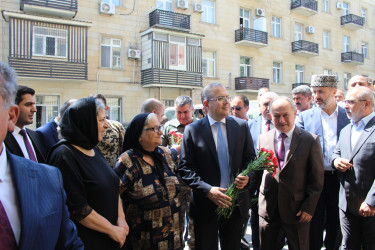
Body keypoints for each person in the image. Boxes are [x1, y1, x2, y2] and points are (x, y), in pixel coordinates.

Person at [0, 61, 84, 249]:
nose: (34, 109)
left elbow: (67, 243)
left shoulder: (49, 179)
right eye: (28, 104)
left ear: (10, 116)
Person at [179, 82, 255, 250]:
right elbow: (185, 168)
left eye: (227, 97)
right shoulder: (193, 130)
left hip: (235, 205)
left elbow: (251, 160)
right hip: (206, 206)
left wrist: (248, 177)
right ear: (206, 104)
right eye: (221, 99)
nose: (227, 102)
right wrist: (208, 190)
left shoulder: (241, 127)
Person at [48, 97, 129, 249]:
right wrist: (112, 229)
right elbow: (78, 208)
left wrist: (121, 219)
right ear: (86, 123)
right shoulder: (63, 155)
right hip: (87, 241)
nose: (106, 125)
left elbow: (112, 184)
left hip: (113, 236)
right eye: (101, 120)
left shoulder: (93, 147)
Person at [249, 96, 324, 250]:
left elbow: (316, 179)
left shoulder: (310, 140)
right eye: (276, 116)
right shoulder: (263, 139)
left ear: (295, 113)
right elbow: (257, 173)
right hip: (269, 210)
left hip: (297, 210)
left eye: (285, 115)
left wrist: (309, 207)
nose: (281, 120)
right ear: (270, 116)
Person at [114, 113, 183, 249]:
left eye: (160, 127)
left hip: (174, 240)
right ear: (139, 135)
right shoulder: (127, 161)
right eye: (154, 129)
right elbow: (112, 194)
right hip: (143, 242)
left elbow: (176, 150)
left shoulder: (164, 154)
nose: (160, 132)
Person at [297, 74, 350, 250]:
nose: (316, 96)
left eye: (321, 92)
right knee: (313, 226)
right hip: (314, 181)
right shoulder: (305, 117)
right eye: (314, 92)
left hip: (340, 180)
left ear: (334, 92)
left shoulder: (347, 116)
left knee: (337, 226)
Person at [332, 86, 375, 249]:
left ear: (367, 104)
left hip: (370, 207)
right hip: (347, 205)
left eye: (351, 102)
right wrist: (336, 162)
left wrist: (372, 201)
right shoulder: (347, 129)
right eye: (345, 102)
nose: (345, 106)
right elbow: (335, 154)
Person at [247, 91, 278, 250]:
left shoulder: (284, 124)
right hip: (255, 186)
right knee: (256, 225)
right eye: (265, 104)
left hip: (278, 184)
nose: (268, 108)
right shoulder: (249, 126)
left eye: (272, 104)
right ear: (259, 106)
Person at [4, 85, 45, 163]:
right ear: (13, 109)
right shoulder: (3, 138)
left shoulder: (35, 135)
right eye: (28, 104)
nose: (34, 109)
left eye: (34, 104)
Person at [92, 94, 125, 168]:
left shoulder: (117, 126)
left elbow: (125, 150)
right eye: (95, 107)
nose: (98, 109)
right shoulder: (85, 129)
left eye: (101, 106)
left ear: (106, 108)